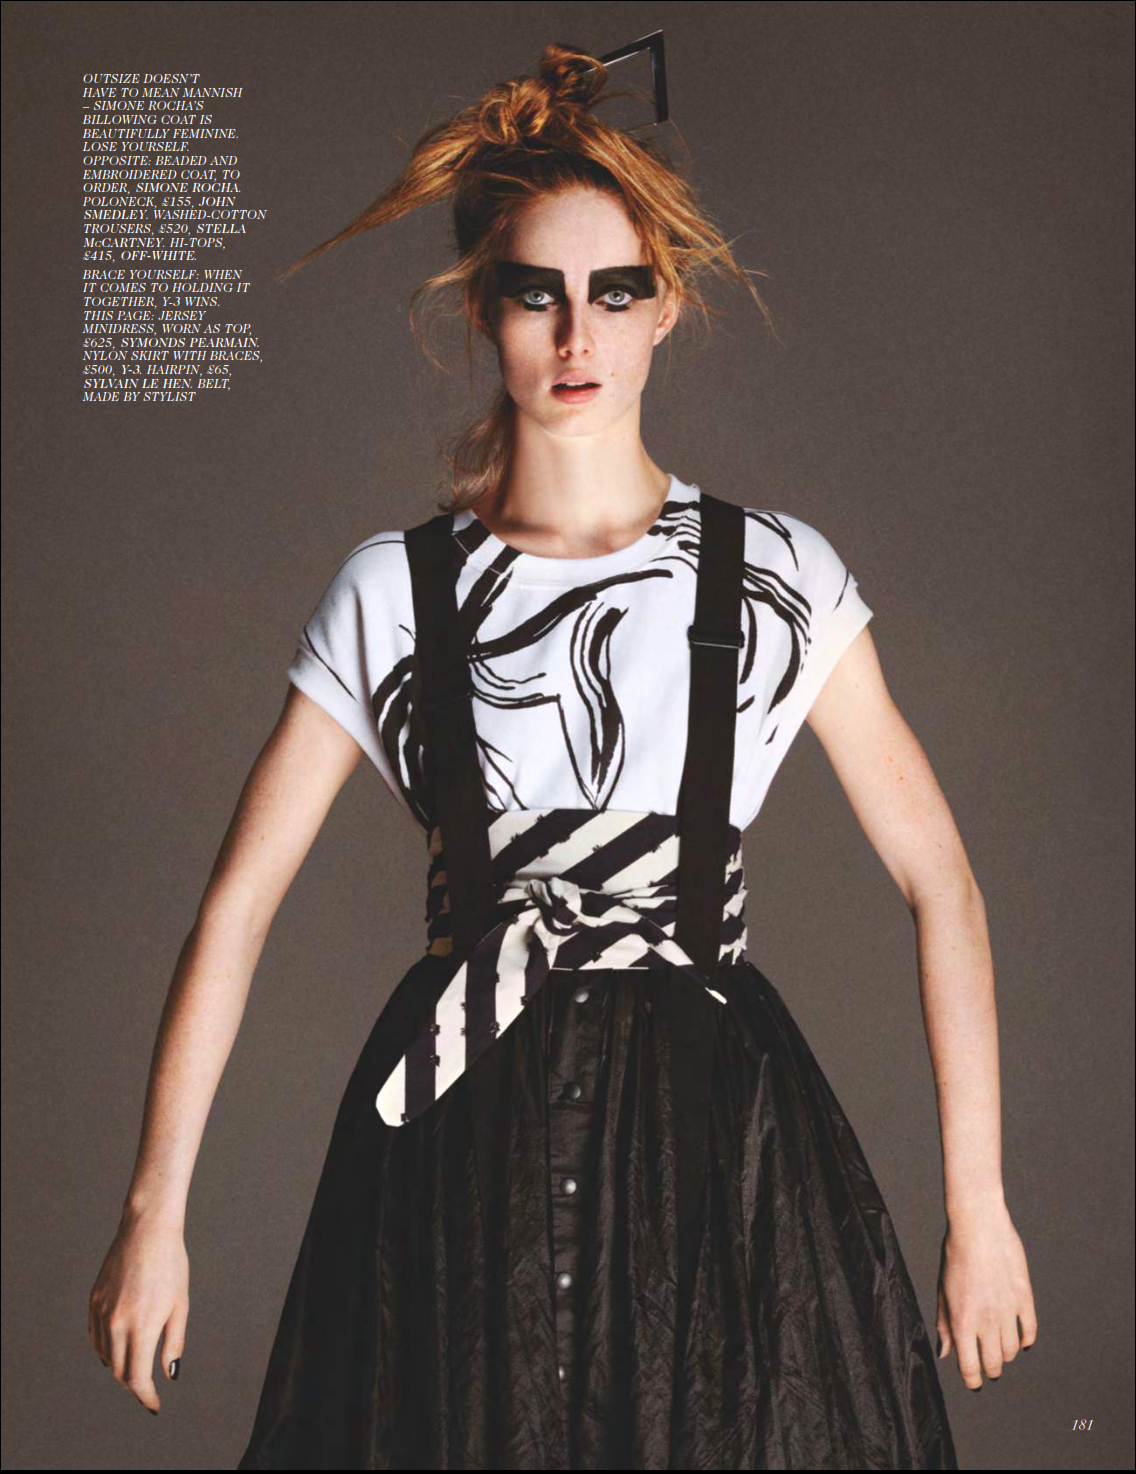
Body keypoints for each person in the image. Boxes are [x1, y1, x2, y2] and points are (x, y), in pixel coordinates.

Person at [88, 39, 1037, 1470]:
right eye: (539, 293)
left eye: (617, 292)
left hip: (721, 1173)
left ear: (667, 307)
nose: (578, 335)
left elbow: (940, 880)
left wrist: (982, 1209)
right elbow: (236, 908)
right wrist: (152, 1215)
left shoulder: (774, 577)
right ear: (487, 307)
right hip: (459, 1165)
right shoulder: (396, 594)